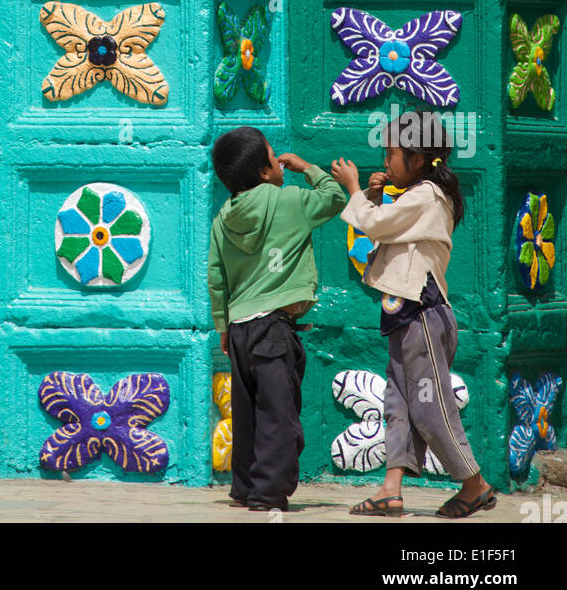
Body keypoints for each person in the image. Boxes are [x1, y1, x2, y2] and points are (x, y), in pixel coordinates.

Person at [332, 110, 496, 519]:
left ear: (419, 159)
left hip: (422, 315)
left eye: (391, 154)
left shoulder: (427, 196)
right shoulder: (415, 195)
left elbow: (376, 226)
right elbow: (384, 220)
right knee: (399, 404)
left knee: (428, 404)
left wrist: (354, 188)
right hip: (405, 316)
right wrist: (374, 193)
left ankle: (475, 484)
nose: (385, 163)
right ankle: (391, 489)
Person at [208, 126, 347, 511]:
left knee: (248, 411)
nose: (279, 159)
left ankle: (244, 486)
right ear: (265, 171)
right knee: (278, 413)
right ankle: (268, 493)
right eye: (273, 155)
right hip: (273, 328)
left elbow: (216, 277)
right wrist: (307, 168)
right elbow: (335, 198)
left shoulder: (224, 218)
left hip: (238, 329)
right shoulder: (290, 201)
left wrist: (223, 326)